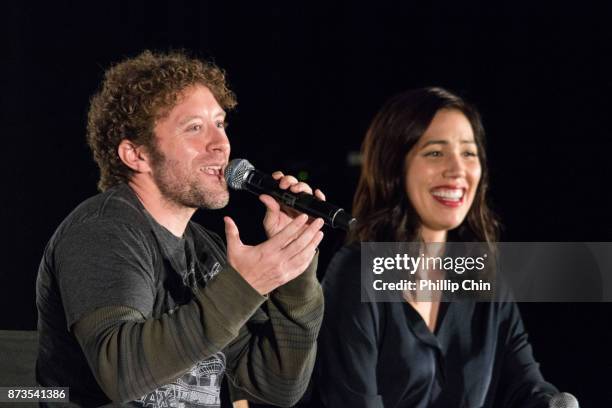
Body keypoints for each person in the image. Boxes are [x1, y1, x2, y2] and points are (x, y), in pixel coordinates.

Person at [35, 50, 326, 407]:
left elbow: (274, 388)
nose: (221, 144)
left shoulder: (204, 249)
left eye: (220, 124)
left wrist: (294, 274)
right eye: (194, 128)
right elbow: (122, 372)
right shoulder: (103, 231)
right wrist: (246, 285)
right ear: (136, 155)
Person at [316, 87, 558, 407]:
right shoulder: (355, 273)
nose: (457, 170)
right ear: (394, 166)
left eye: (469, 153)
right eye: (435, 152)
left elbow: (526, 387)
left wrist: (558, 403)